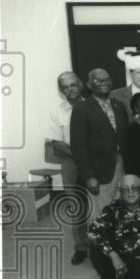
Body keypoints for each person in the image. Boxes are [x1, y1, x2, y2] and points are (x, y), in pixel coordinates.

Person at [71, 68, 129, 224]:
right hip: (98, 171)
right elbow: (78, 147)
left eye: (107, 80)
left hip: (121, 166)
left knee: (120, 212)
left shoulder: (119, 106)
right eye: (98, 81)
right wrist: (89, 176)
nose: (104, 83)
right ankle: (100, 248)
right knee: (100, 216)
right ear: (89, 85)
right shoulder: (81, 109)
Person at [86, 175, 140, 279]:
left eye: (134, 188)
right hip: (117, 252)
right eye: (125, 189)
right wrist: (114, 256)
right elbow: (92, 231)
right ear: (120, 192)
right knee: (95, 241)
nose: (130, 192)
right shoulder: (111, 209)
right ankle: (106, 278)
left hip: (139, 255)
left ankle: (121, 273)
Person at [46, 71, 88, 264]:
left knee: (98, 201)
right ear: (61, 91)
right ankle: (80, 246)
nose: (70, 89)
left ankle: (100, 244)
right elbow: (55, 142)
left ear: (79, 85)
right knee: (76, 203)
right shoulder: (57, 111)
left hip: (94, 159)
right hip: (71, 160)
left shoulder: (92, 105)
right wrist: (79, 156)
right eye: (66, 87)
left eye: (73, 84)